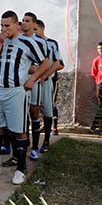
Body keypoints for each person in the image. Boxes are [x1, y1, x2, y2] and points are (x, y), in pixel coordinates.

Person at [0, 11, 49, 185]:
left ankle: (21, 169)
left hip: (16, 91)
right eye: (2, 25)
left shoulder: (28, 42)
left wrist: (32, 79)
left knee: (19, 131)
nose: (4, 29)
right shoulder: (0, 41)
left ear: (16, 25)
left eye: (7, 25)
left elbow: (45, 62)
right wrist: (0, 42)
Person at [20, 12, 52, 161]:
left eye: (27, 21)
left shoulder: (41, 42)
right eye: (22, 20)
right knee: (21, 114)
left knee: (34, 112)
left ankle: (35, 148)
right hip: (19, 83)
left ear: (34, 24)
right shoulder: (18, 40)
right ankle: (22, 146)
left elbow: (45, 63)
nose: (24, 23)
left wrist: (36, 72)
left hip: (34, 83)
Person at [35, 19, 64, 152]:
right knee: (32, 110)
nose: (34, 32)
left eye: (36, 29)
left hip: (46, 81)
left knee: (48, 109)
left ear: (42, 28)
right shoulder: (30, 42)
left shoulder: (51, 43)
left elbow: (59, 63)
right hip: (31, 81)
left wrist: (45, 75)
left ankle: (46, 140)